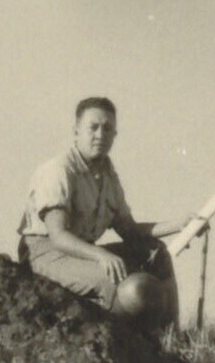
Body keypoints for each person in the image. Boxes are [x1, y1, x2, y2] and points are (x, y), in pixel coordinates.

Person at [18, 97, 196, 324]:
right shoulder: (59, 170)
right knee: (125, 283)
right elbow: (58, 236)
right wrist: (101, 255)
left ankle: (173, 336)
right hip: (45, 254)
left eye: (107, 128)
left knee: (156, 253)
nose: (100, 135)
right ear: (76, 131)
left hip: (81, 252)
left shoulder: (108, 175)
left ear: (115, 135)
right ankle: (121, 338)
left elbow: (129, 230)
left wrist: (180, 225)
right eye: (93, 127)